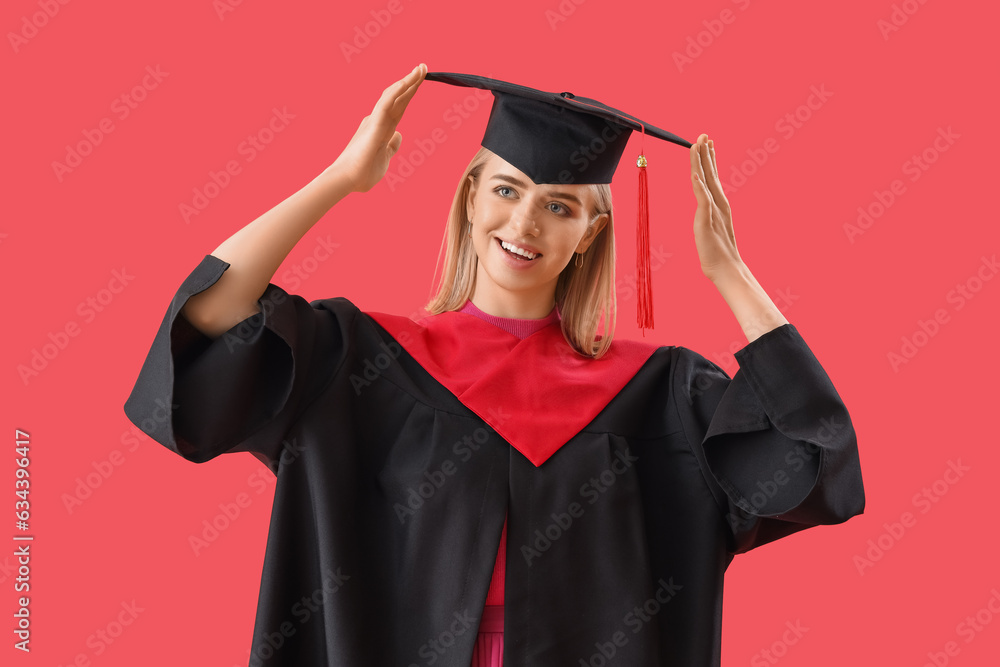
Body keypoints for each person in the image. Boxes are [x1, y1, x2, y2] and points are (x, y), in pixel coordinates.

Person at [124, 63, 865, 666]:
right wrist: (341, 179)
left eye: (561, 206)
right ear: (472, 197)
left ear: (589, 233)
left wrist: (729, 271)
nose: (525, 224)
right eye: (507, 190)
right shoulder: (360, 361)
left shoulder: (659, 395)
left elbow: (815, 463)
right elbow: (211, 319)